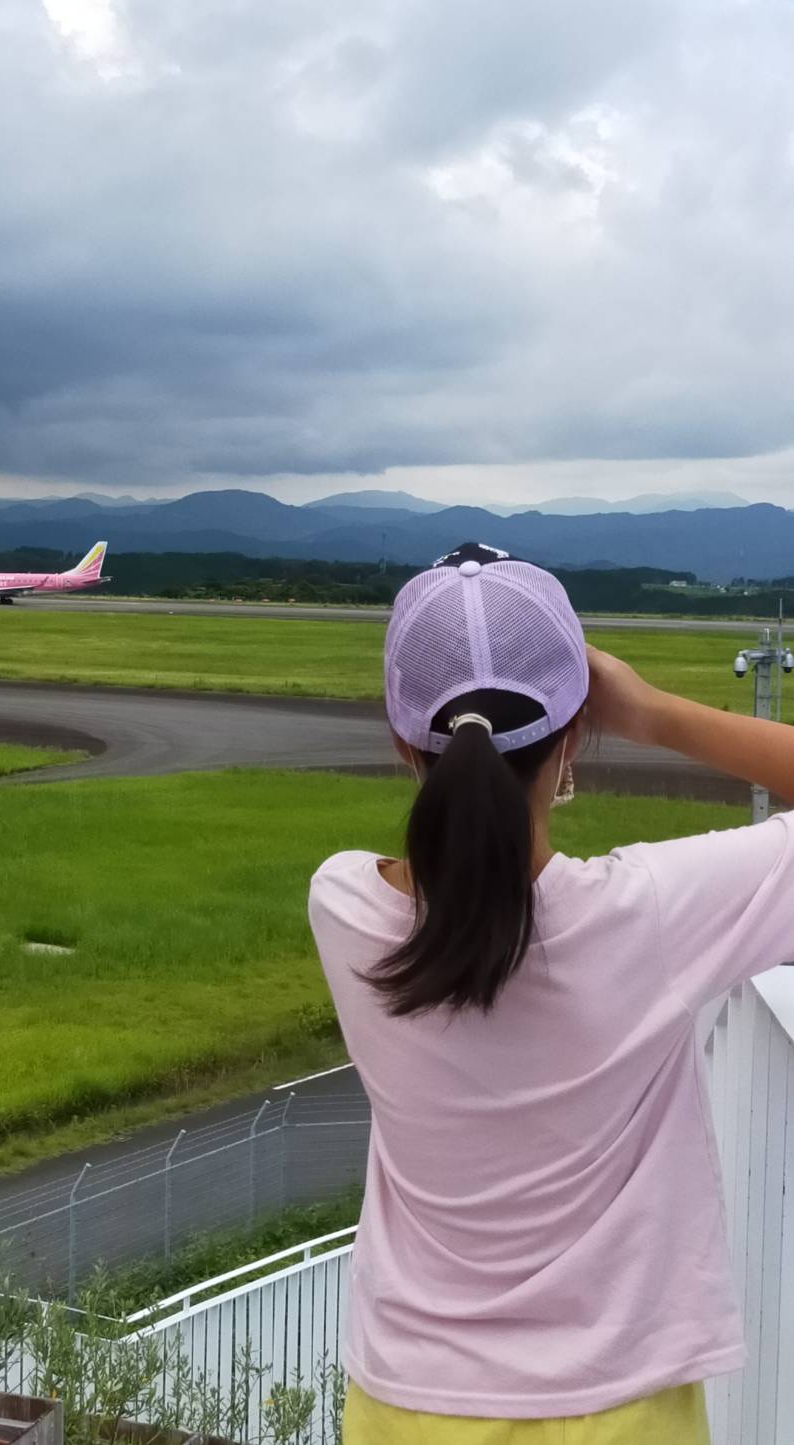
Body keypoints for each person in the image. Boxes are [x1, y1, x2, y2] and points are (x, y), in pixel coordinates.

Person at [310, 543, 794, 1445]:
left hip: (406, 1408)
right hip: (622, 1411)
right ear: (572, 738)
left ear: (403, 740)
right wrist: (653, 712)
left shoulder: (343, 906)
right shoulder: (648, 915)